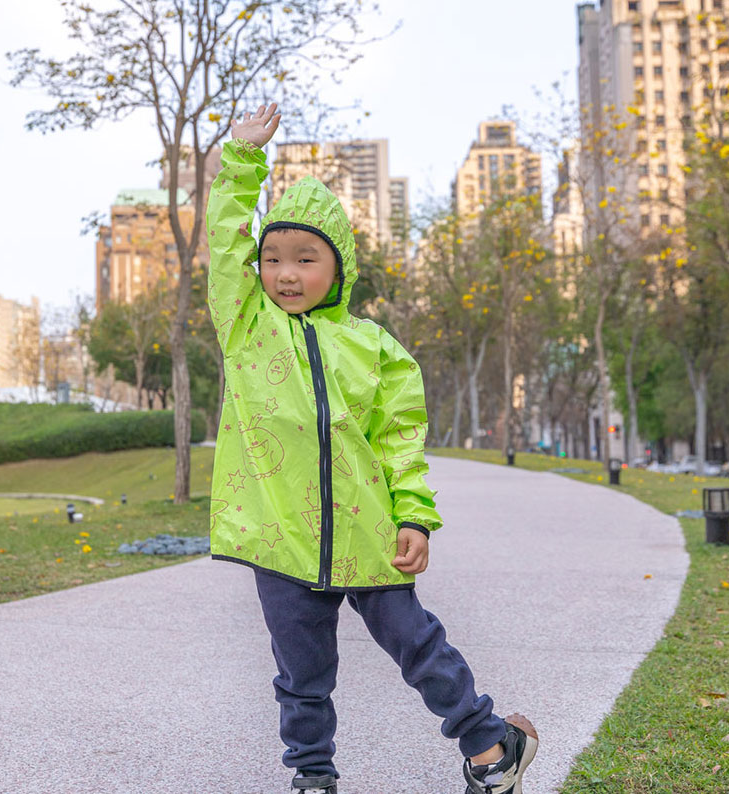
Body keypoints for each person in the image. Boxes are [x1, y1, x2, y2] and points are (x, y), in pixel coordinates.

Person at [205, 102, 538, 794]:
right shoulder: (247, 326)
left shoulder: (375, 348)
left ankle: (488, 747)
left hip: (367, 531)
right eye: (272, 259)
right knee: (302, 676)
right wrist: (242, 158)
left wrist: (413, 515)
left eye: (305, 258)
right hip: (281, 539)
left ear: (339, 266)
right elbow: (225, 236)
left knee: (419, 645)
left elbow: (399, 443)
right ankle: (313, 779)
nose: (285, 273)